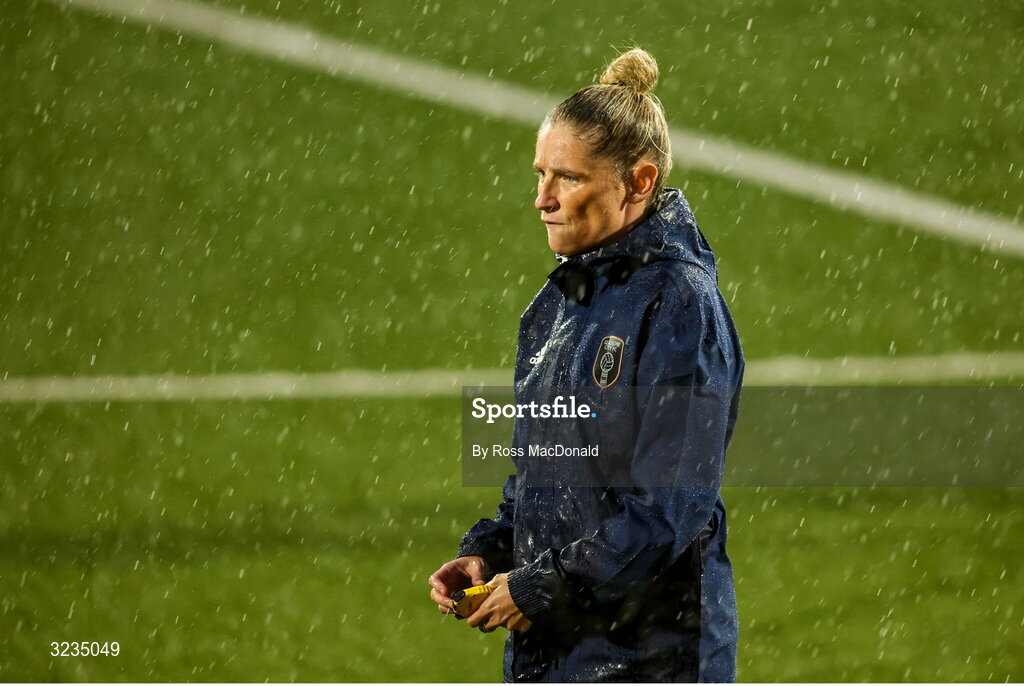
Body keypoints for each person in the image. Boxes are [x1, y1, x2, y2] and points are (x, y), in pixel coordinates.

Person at [428, 48, 744, 682]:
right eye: (540, 174)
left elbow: (670, 510)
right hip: (556, 653)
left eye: (567, 178)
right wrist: (491, 550)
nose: (542, 199)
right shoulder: (559, 301)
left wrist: (543, 586)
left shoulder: (680, 307)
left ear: (640, 182)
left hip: (649, 658)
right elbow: (545, 476)